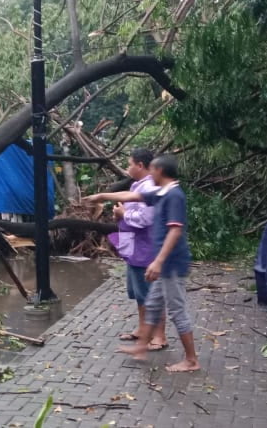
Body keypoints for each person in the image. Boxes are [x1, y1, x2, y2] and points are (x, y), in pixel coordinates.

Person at [85, 154, 199, 372]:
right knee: (153, 304)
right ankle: (140, 347)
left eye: (153, 170)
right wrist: (101, 196)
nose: (149, 174)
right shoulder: (161, 193)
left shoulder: (174, 195)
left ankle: (192, 360)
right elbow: (132, 195)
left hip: (172, 264)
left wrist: (158, 261)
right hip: (164, 264)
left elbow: (175, 231)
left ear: (160, 172)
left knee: (177, 310)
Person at [107, 148, 168, 351]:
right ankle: (143, 329)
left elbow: (145, 218)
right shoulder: (137, 186)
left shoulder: (151, 188)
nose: (127, 168)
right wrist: (120, 214)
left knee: (151, 292)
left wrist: (123, 214)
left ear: (140, 165)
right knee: (140, 293)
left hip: (147, 249)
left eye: (129, 163)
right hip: (135, 249)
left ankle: (159, 336)